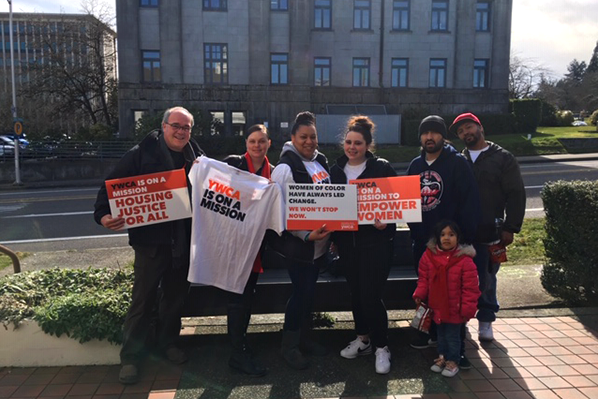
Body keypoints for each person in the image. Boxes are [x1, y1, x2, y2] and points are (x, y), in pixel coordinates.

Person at [93, 106, 204, 384]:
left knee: (174, 299)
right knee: (142, 301)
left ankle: (168, 344)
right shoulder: (140, 153)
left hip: (184, 242)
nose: (181, 132)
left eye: (186, 127)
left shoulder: (198, 157)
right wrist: (103, 215)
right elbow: (109, 186)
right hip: (151, 244)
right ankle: (131, 357)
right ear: (164, 126)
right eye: (176, 126)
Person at [406, 115, 481, 369]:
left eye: (434, 133)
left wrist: (462, 240)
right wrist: (417, 234)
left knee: (453, 298)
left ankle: (456, 349)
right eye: (425, 133)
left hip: (450, 247)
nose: (430, 137)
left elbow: (470, 202)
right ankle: (434, 337)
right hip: (425, 246)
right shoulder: (415, 165)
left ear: (443, 136)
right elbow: (406, 204)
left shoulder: (457, 164)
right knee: (431, 294)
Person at [449, 113, 526, 342]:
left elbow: (516, 194)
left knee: (488, 279)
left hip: (491, 231)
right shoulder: (458, 159)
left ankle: (486, 321)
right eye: (461, 131)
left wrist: (510, 227)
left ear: (480, 127)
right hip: (461, 234)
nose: (465, 133)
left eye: (468, 127)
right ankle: (462, 320)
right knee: (461, 280)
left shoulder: (502, 158)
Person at [330, 116, 396, 374]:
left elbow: (397, 206)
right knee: (356, 294)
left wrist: (386, 222)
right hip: (347, 244)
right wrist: (334, 239)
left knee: (371, 295)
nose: (352, 147)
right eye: (348, 142)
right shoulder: (336, 171)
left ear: (368, 145)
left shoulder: (382, 168)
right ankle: (363, 339)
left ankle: (382, 346)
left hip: (376, 244)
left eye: (358, 143)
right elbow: (332, 208)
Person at [270, 111, 332, 370]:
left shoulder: (320, 163)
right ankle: (290, 346)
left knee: (308, 294)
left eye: (313, 137)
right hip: (300, 247)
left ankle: (304, 339)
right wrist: (306, 235)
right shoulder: (285, 168)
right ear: (292, 138)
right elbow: (278, 211)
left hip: (319, 247)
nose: (309, 141)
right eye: (303, 137)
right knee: (300, 294)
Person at [221, 124, 273, 377]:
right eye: (252, 141)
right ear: (246, 144)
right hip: (233, 244)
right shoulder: (233, 164)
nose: (257, 145)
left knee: (246, 296)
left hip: (256, 246)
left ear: (268, 144)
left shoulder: (273, 171)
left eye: (261, 141)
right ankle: (236, 353)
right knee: (237, 299)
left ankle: (239, 344)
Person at [413, 220, 480, 378]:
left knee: (453, 336)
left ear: (458, 237)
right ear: (437, 237)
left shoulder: (465, 261)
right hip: (437, 305)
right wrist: (419, 294)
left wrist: (468, 308)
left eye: (451, 234)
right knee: (441, 335)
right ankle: (442, 357)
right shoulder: (429, 256)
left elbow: (471, 288)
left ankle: (453, 361)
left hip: (455, 308)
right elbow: (424, 279)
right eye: (442, 234)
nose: (446, 238)